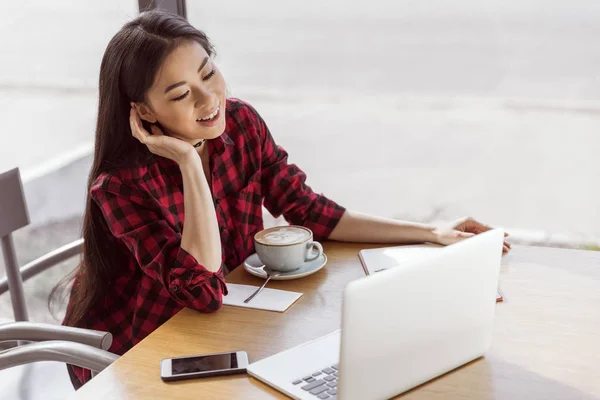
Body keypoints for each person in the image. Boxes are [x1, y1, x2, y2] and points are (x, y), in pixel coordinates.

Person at [55, 10, 510, 389]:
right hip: (147, 353)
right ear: (144, 112)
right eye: (180, 94)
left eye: (208, 73)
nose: (209, 98)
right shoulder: (120, 186)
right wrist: (189, 166)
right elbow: (202, 289)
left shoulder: (242, 124)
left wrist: (432, 232)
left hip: (229, 328)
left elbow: (311, 211)